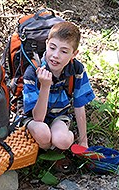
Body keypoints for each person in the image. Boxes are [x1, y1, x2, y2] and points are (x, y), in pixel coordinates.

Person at [23, 21, 95, 150]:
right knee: (42, 133)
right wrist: (45, 86)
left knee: (62, 141)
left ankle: (51, 147)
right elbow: (38, 117)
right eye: (52, 48)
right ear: (46, 44)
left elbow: (79, 105)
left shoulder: (76, 69)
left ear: (74, 54)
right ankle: (44, 152)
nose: (56, 55)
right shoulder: (33, 71)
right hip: (34, 120)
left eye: (64, 51)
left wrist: (84, 141)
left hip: (59, 115)